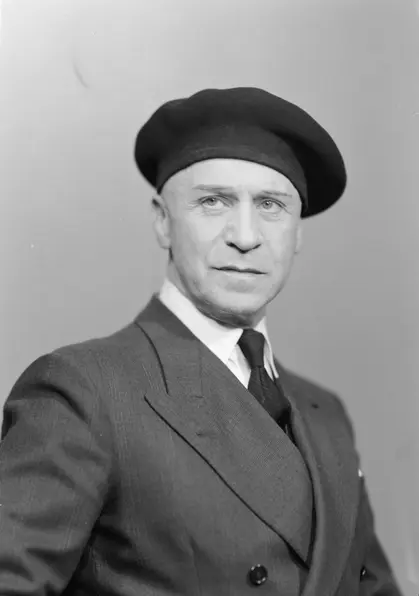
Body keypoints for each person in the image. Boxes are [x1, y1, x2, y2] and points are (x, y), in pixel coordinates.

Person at [0, 87, 402, 595]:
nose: (245, 236)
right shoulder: (84, 391)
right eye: (213, 202)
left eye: (272, 205)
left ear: (298, 233)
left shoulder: (326, 414)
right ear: (162, 221)